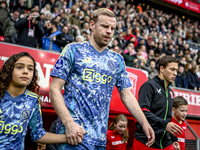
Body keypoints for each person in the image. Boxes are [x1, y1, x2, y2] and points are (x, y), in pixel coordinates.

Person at [49, 8, 155, 150]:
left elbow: (127, 95)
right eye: (105, 26)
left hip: (100, 140)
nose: (109, 31)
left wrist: (144, 122)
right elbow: (54, 89)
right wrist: (69, 123)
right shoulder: (73, 50)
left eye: (112, 28)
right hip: (74, 136)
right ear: (92, 25)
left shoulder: (117, 60)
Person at [0, 52, 80, 149]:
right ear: (9, 70)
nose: (25, 71)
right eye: (19, 67)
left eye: (30, 69)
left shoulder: (32, 100)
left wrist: (69, 138)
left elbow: (37, 135)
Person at [134, 55, 183, 150]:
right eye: (172, 69)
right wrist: (164, 124)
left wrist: (173, 139)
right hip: (146, 142)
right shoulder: (149, 86)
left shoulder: (170, 91)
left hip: (166, 144)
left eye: (176, 70)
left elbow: (167, 118)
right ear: (162, 68)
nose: (175, 73)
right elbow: (142, 111)